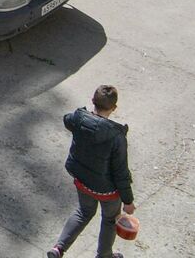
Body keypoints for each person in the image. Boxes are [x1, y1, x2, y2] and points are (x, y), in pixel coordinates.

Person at [47, 85, 135, 258]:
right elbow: (121, 172)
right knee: (110, 220)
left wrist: (81, 115)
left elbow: (67, 119)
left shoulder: (80, 119)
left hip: (82, 181)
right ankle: (104, 255)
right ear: (114, 108)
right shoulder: (117, 136)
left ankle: (58, 248)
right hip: (107, 190)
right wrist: (128, 201)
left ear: (93, 101)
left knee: (84, 212)